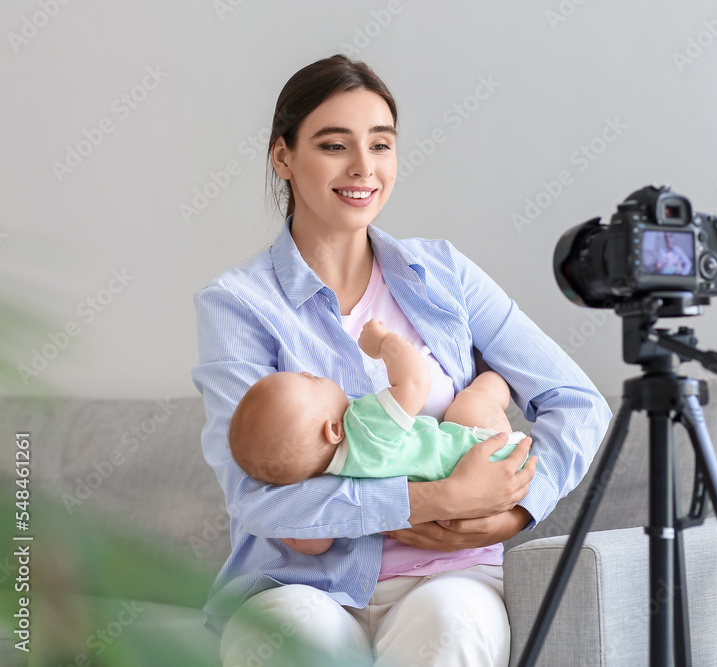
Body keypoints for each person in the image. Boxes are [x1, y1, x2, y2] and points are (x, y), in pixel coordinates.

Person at [191, 53, 611, 667]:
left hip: (451, 575)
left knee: (454, 626)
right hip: (295, 583)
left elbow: (577, 403)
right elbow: (255, 496)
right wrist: (434, 501)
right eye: (334, 145)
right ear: (283, 157)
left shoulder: (443, 273)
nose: (364, 168)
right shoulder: (239, 305)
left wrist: (513, 509)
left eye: (381, 145)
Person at [228, 317, 529, 557]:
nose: (307, 372)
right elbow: (414, 382)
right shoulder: (362, 425)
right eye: (314, 381)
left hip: (451, 515)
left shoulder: (329, 481)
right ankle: (498, 384)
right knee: (473, 400)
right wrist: (385, 343)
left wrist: (295, 533)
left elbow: (315, 545)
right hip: (490, 453)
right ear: (333, 430)